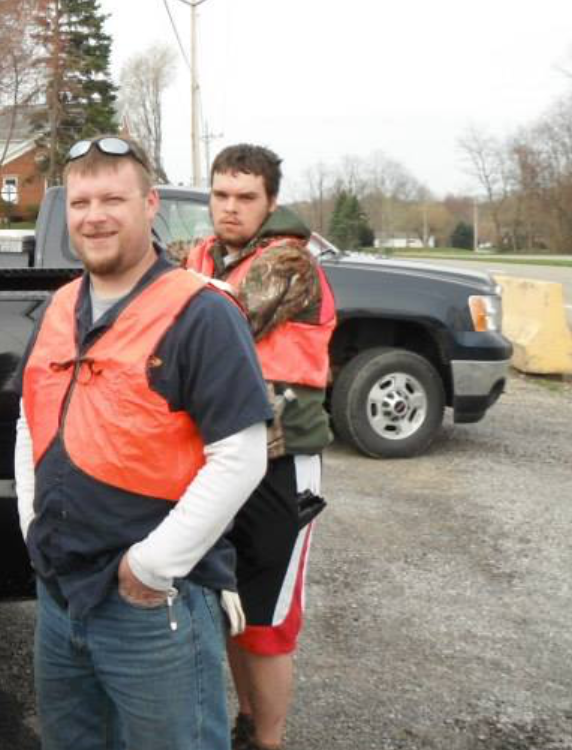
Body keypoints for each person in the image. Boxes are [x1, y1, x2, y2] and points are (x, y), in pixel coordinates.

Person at [14, 135, 271, 750]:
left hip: (153, 610)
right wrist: (31, 523)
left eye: (112, 199)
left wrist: (151, 567)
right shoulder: (57, 309)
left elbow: (241, 455)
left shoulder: (201, 312)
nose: (94, 216)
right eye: (80, 202)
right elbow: (29, 422)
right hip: (61, 599)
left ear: (149, 203)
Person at [182, 144, 337, 750]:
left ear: (271, 202)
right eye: (220, 195)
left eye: (246, 198)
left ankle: (267, 740)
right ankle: (245, 724)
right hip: (222, 461)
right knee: (233, 609)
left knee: (268, 623)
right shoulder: (206, 255)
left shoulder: (289, 263)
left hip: (282, 465)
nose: (230, 208)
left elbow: (217, 325)